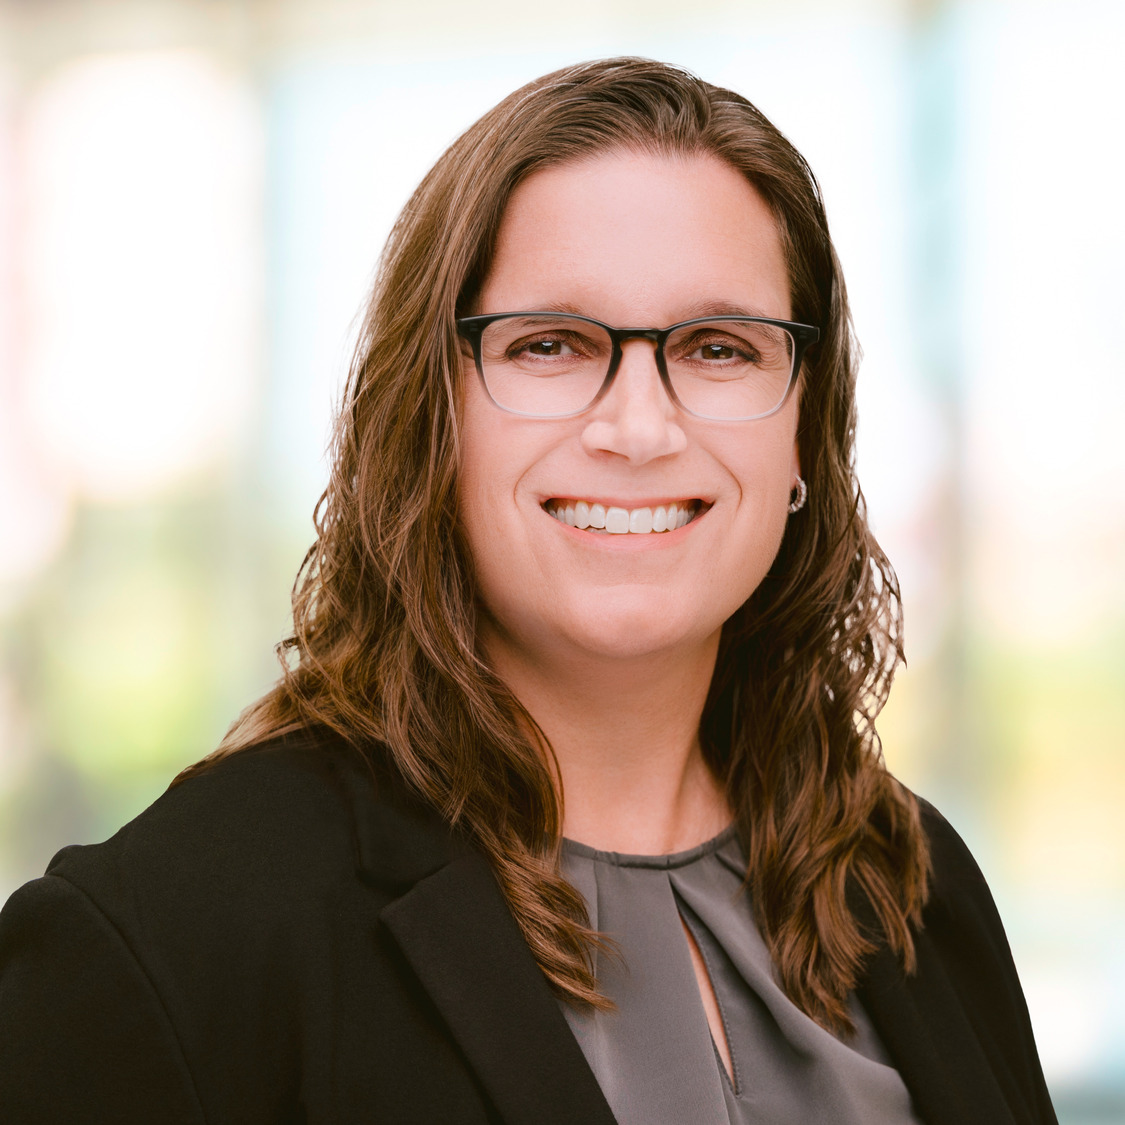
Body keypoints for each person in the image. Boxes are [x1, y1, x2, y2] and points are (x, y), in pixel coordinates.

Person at [0, 58, 1056, 1125]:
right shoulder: (169, 936)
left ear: (803, 441)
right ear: (432, 420)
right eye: (551, 344)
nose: (639, 429)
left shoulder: (911, 884)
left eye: (719, 347)